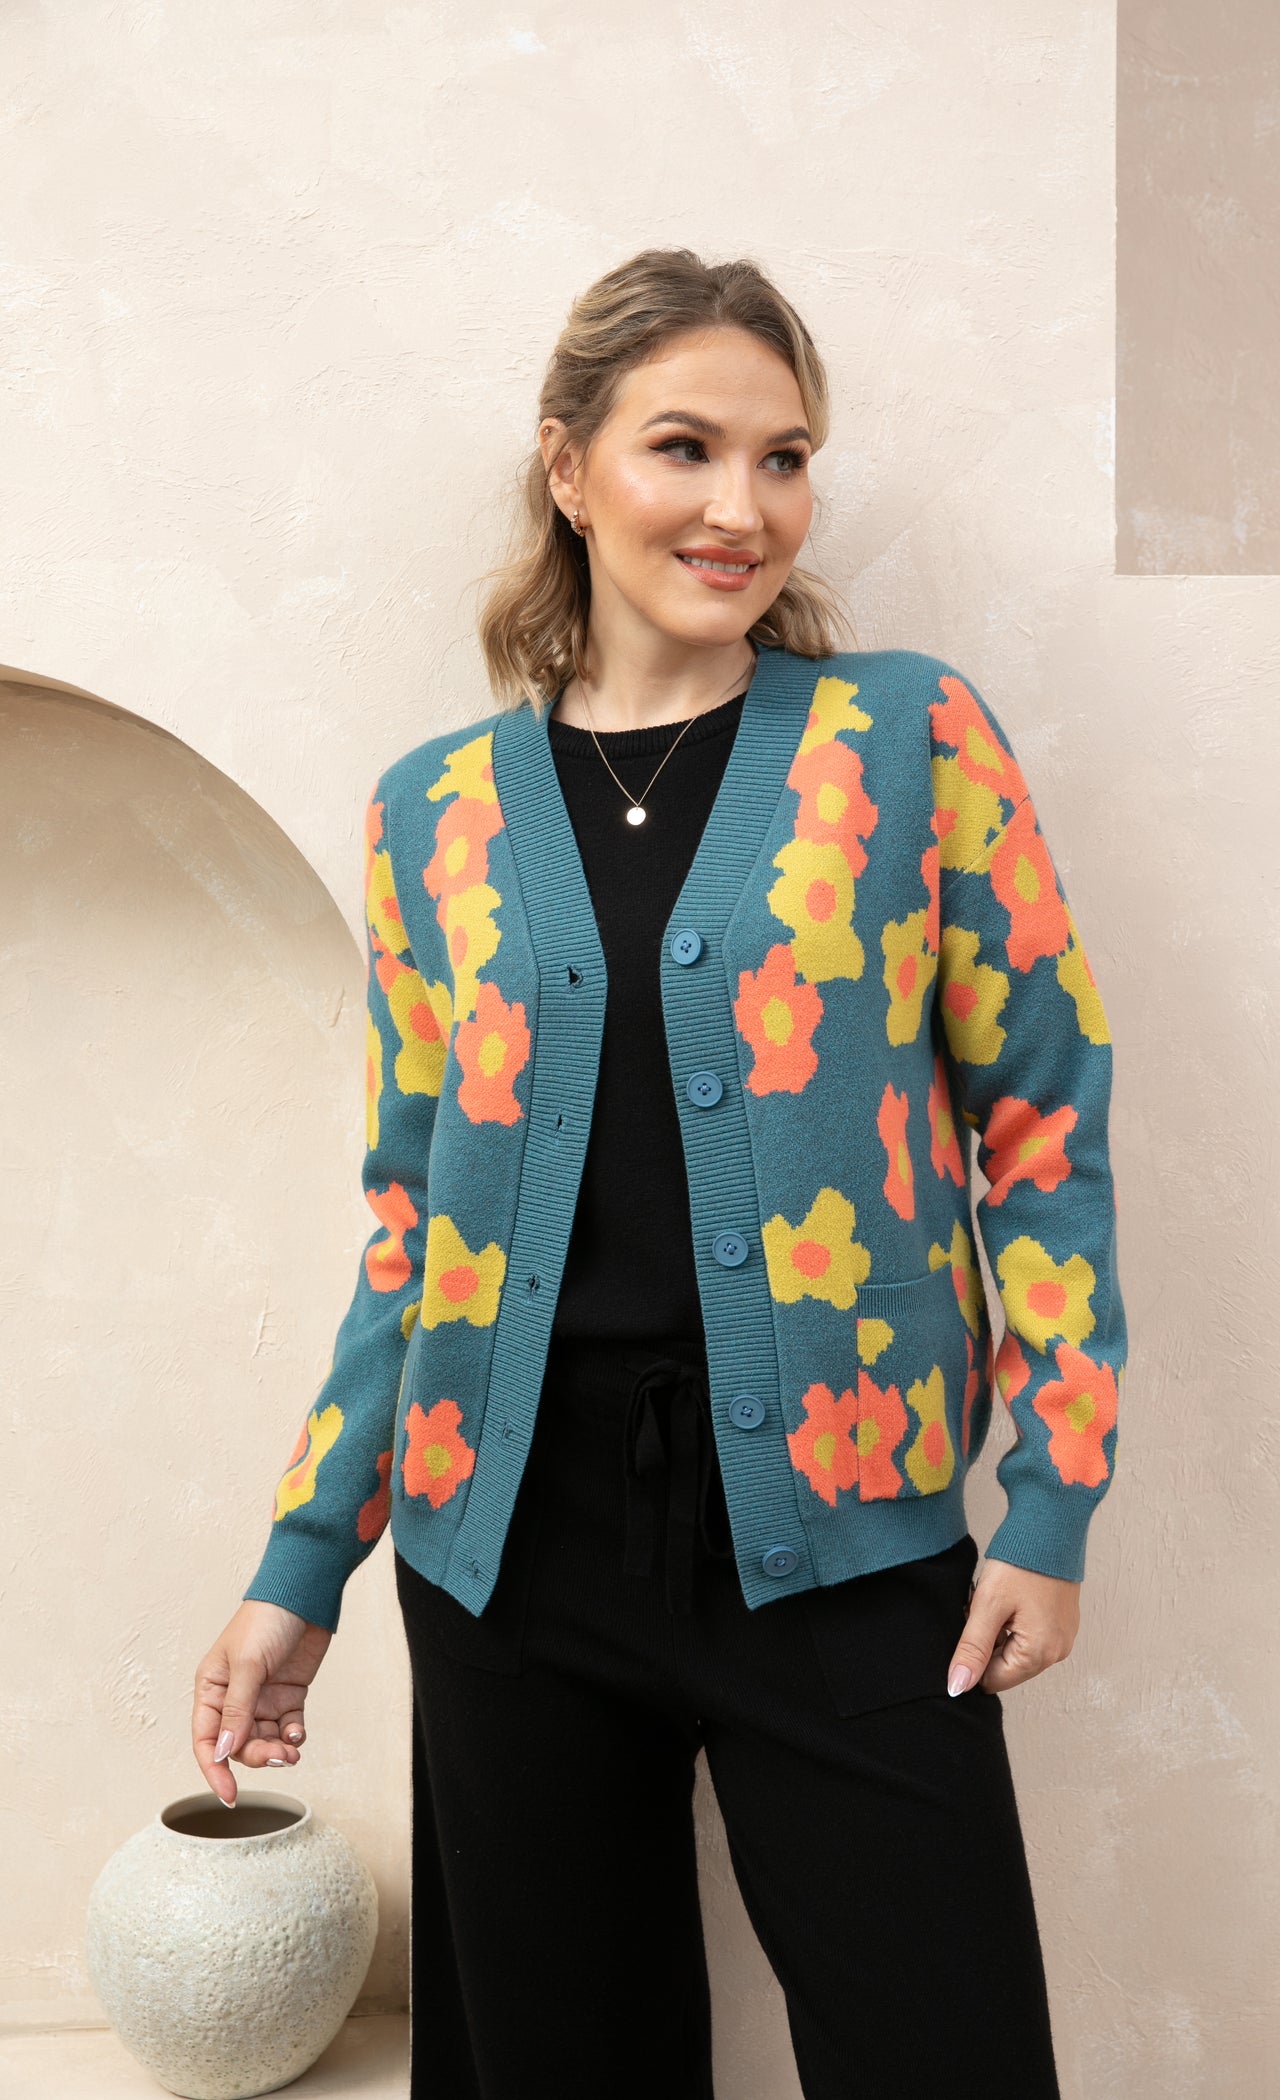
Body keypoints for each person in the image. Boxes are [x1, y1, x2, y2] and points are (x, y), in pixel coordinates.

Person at [191, 247, 1127, 2100]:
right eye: (684, 447)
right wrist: (304, 1563)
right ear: (568, 467)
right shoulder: (433, 813)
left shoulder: (910, 739)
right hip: (508, 1556)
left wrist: (1054, 1498)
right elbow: (417, 1233)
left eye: (786, 458)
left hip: (850, 1532)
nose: (741, 509)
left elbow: (1044, 1128)